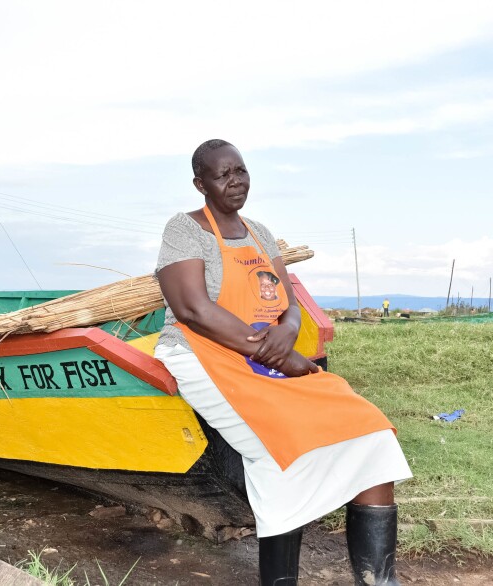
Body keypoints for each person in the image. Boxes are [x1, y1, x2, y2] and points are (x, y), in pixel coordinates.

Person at [154, 139, 412, 586]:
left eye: (241, 170)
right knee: (281, 448)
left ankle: (377, 580)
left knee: (371, 430)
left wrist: (288, 333)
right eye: (222, 174)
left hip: (266, 355)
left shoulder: (260, 232)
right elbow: (193, 309)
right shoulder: (185, 229)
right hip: (205, 353)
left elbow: (289, 305)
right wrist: (275, 354)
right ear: (201, 183)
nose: (235, 181)